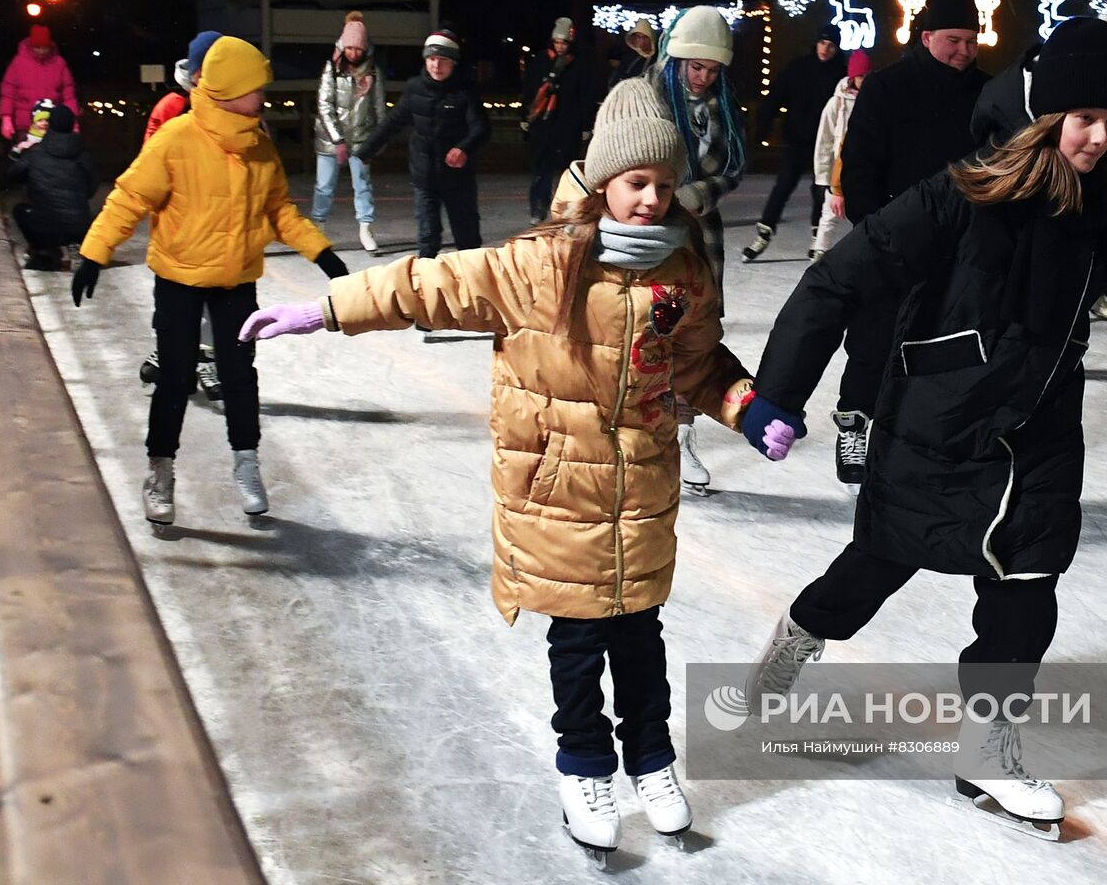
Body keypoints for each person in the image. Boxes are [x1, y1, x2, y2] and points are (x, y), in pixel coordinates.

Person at [238, 76, 776, 860]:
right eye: (635, 183)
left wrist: (746, 404)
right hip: (557, 493)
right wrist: (322, 309)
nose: (651, 200)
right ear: (600, 183)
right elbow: (426, 284)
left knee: (640, 637)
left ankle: (651, 760)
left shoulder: (683, 272)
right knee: (579, 644)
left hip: (643, 495)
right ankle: (586, 767)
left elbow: (699, 368)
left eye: (663, 185)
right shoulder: (541, 266)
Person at [740, 18, 1107, 835]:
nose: (1095, 138)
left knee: (1027, 586)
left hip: (1041, 427)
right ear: (1045, 118)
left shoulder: (1098, 212)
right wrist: (776, 394)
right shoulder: (959, 193)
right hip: (941, 419)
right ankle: (795, 641)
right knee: (878, 563)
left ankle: (987, 747)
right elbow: (835, 282)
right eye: (1081, 119)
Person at [70, 36, 349, 526]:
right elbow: (129, 198)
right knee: (175, 378)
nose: (264, 94)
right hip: (179, 278)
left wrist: (320, 251)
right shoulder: (175, 139)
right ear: (229, 90)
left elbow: (279, 209)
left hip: (236, 279)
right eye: (256, 87)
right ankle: (160, 470)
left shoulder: (259, 145)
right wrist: (94, 253)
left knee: (239, 377)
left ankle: (247, 462)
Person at [548, 7, 746, 494]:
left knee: (687, 334)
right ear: (675, 59)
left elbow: (733, 166)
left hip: (699, 239)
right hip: (643, 235)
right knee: (634, 330)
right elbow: (608, 164)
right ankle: (616, 430)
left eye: (713, 69)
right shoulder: (643, 97)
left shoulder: (721, 104)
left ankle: (680, 433)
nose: (704, 77)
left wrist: (703, 193)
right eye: (695, 67)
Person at [830, 0, 991, 492]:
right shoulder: (887, 88)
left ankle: (924, 438)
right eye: (953, 39)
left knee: (945, 346)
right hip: (893, 239)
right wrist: (875, 228)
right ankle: (854, 422)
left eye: (971, 40)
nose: (963, 50)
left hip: (960, 246)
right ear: (926, 37)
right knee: (875, 338)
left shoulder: (987, 94)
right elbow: (859, 167)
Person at [971, 36, 1107, 321]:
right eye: (1086, 118)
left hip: (1089, 179)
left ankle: (1093, 293)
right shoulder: (1049, 83)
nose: (1102, 135)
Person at [137, 32, 226, 398]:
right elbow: (150, 160)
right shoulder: (173, 105)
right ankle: (173, 350)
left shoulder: (233, 106)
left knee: (213, 293)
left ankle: (207, 357)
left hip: (218, 219)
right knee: (175, 294)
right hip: (178, 218)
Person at [356, 28, 489, 259]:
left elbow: (481, 128)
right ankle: (426, 287)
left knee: (467, 239)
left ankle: (472, 286)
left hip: (458, 178)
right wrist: (367, 150)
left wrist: (464, 148)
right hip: (424, 175)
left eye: (444, 60)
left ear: (454, 63)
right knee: (427, 237)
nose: (437, 65)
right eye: (432, 59)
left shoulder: (465, 92)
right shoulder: (415, 88)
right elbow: (393, 122)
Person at [743, 24, 847, 261]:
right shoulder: (798, 68)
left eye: (831, 45)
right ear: (816, 43)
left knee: (820, 191)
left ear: (836, 48)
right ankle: (764, 233)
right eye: (822, 43)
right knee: (783, 186)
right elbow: (776, 96)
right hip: (798, 140)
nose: (826, 49)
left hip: (826, 145)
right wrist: (763, 128)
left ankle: (816, 239)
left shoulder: (841, 75)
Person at [311, 11, 386, 252]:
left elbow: (378, 107)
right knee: (324, 185)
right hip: (330, 140)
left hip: (362, 139)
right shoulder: (331, 69)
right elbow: (324, 104)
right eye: (350, 48)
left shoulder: (373, 72)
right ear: (343, 47)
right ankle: (318, 228)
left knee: (362, 184)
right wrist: (338, 139)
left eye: (358, 49)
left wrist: (379, 140)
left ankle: (365, 228)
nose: (354, 53)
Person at [522, 17, 597, 221]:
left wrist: (585, 124)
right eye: (557, 42)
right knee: (541, 168)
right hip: (543, 124)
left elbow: (586, 95)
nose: (560, 46)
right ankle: (538, 207)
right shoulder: (541, 61)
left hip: (567, 125)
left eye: (564, 42)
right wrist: (526, 116)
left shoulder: (580, 64)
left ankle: (568, 209)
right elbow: (529, 89)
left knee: (568, 170)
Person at [3, 105, 95, 270]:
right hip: (79, 225)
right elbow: (91, 188)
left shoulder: (35, 152)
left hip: (44, 227)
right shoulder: (83, 153)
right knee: (80, 215)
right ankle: (76, 245)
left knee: (19, 210)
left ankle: (44, 250)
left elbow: (12, 176)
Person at [809, 49, 871, 261]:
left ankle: (865, 256)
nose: (864, 80)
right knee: (829, 215)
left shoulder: (873, 99)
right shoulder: (836, 103)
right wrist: (823, 177)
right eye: (861, 76)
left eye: (867, 75)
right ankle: (820, 252)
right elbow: (824, 140)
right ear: (852, 77)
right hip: (839, 168)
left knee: (865, 214)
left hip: (864, 166)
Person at [0, 24, 78, 144]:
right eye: (37, 47)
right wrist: (6, 119)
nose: (41, 51)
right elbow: (8, 93)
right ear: (31, 46)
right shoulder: (18, 63)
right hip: (25, 127)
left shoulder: (59, 64)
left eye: (45, 47)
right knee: (26, 161)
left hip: (52, 126)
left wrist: (73, 122)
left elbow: (68, 96)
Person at [607, 18, 657, 90]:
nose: (641, 41)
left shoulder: (658, 59)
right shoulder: (629, 57)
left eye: (645, 37)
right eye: (638, 37)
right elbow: (616, 80)